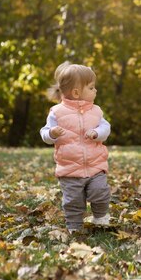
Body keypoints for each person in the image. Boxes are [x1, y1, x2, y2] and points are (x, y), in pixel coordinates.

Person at [40, 62, 111, 233]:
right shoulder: (57, 112)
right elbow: (45, 133)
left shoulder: (96, 111)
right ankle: (75, 226)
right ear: (77, 92)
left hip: (95, 165)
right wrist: (52, 134)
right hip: (70, 169)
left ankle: (101, 218)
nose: (96, 91)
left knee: (100, 192)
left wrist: (97, 132)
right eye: (92, 87)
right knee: (73, 201)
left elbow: (106, 128)